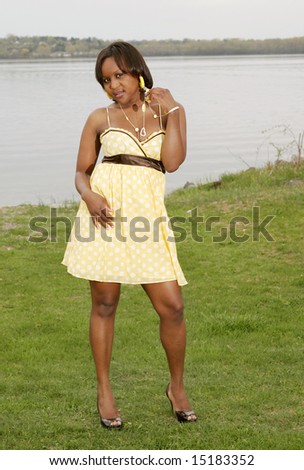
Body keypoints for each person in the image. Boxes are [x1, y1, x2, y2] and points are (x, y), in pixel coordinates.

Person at [62, 41, 197, 428]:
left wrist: (176, 110)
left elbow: (171, 162)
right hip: (104, 220)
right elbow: (80, 172)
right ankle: (105, 391)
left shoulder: (165, 112)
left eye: (119, 75)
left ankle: (177, 387)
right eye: (106, 80)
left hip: (148, 224)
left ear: (137, 71)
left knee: (172, 306)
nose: (113, 85)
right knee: (104, 304)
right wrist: (88, 196)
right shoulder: (99, 119)